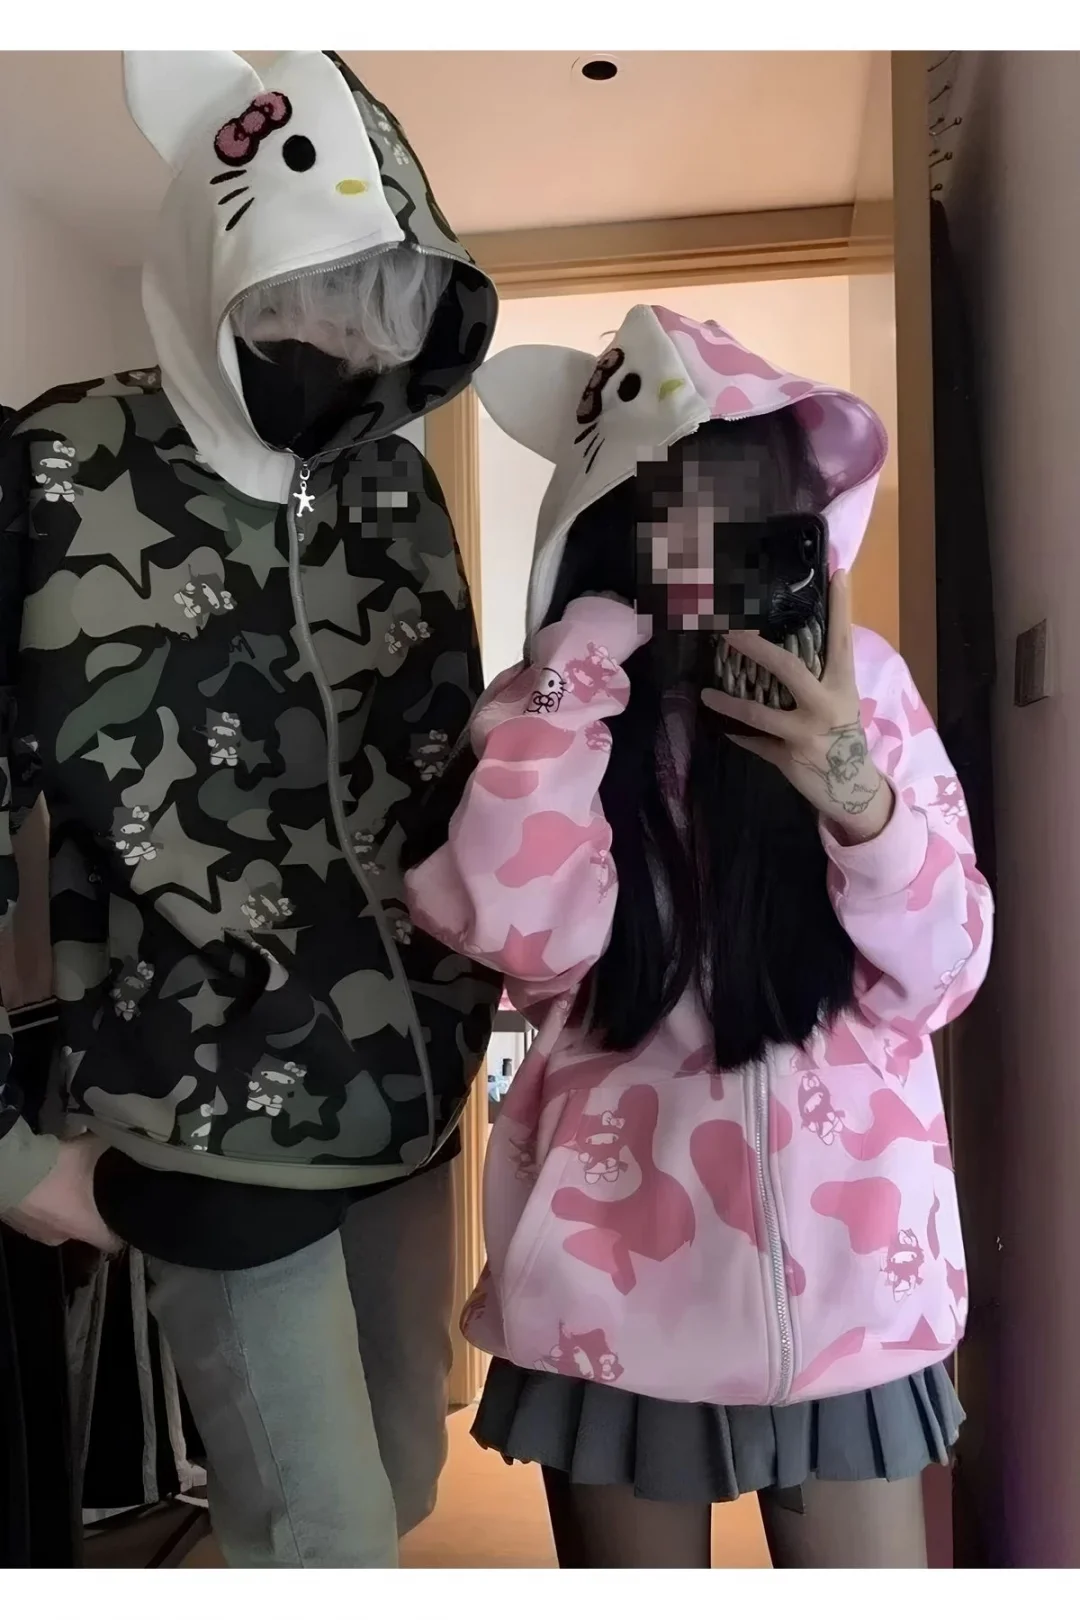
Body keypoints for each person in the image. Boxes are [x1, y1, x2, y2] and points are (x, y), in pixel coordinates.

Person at [0, 50, 501, 1568]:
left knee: (401, 1481)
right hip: (203, 1112)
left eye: (376, 315)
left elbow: (449, 773)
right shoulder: (59, 468)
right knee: (320, 1540)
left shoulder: (394, 491)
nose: (340, 352)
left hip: (411, 1104)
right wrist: (6, 1151)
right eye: (301, 307)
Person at [405, 304, 993, 1569]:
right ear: (618, 528)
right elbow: (522, 937)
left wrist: (854, 791)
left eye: (753, 510)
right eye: (677, 512)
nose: (717, 546)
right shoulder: (552, 717)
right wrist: (576, 673)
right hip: (620, 1292)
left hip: (852, 1290)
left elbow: (944, 972)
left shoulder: (869, 690)